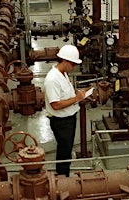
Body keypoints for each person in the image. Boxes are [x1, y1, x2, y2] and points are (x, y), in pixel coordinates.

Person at [44, 44, 86, 177]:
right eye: (73, 64)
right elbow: (55, 105)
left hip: (69, 118)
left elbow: (66, 93)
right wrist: (76, 98)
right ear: (64, 61)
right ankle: (62, 178)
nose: (74, 67)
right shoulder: (52, 79)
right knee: (64, 150)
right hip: (61, 122)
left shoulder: (64, 73)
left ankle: (64, 174)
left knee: (67, 149)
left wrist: (77, 95)